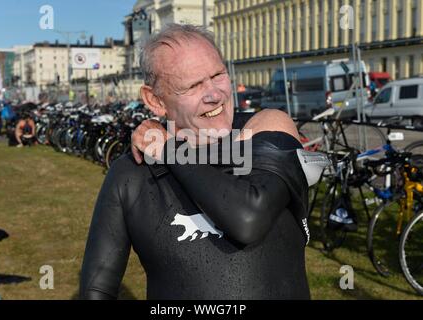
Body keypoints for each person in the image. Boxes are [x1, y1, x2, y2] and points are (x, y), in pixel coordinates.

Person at [80, 24, 328, 300]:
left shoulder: (267, 129)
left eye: (218, 74)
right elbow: (96, 288)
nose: (214, 95)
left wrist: (168, 151)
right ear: (155, 100)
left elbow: (248, 218)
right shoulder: (131, 174)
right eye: (193, 85)